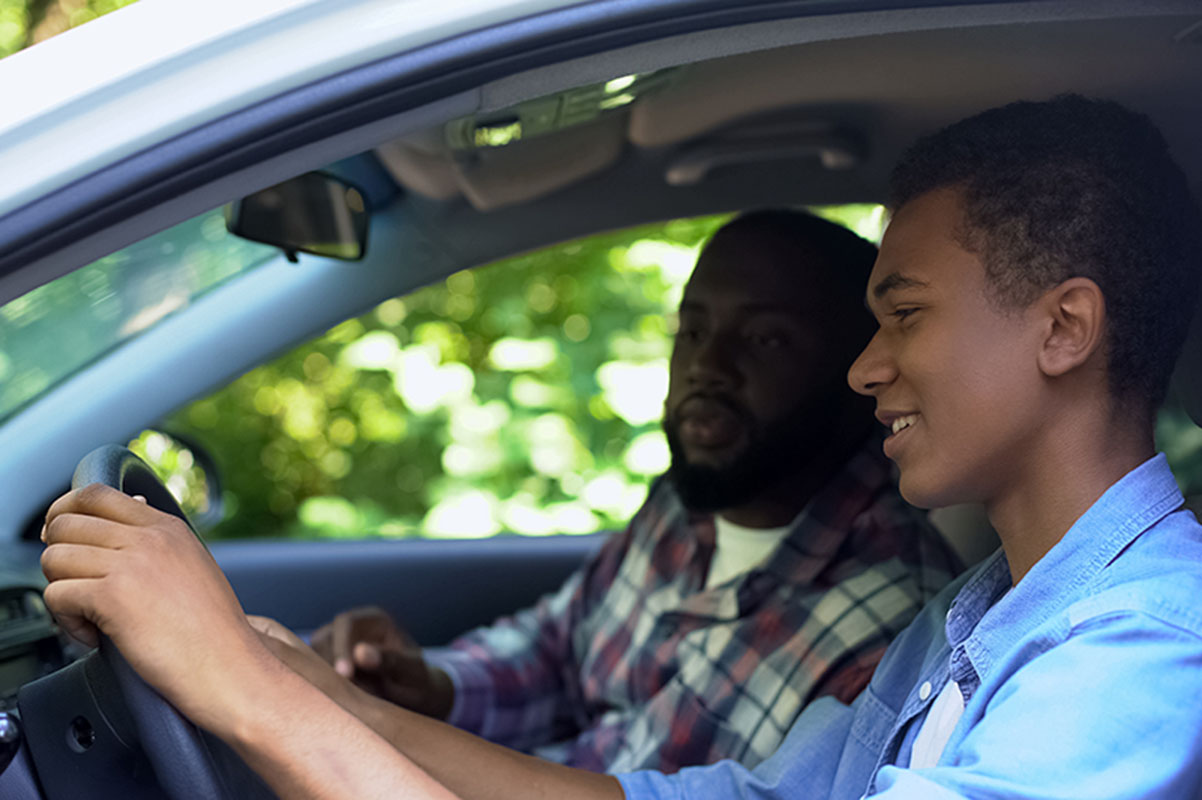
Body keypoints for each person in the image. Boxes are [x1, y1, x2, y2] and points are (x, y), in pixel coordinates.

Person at [39, 92, 1202, 800]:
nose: (864, 365)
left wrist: (245, 695)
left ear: (1063, 327)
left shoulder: (1142, 644)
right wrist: (297, 682)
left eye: (901, 314)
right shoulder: (974, 616)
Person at [306, 209, 960, 776]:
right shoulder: (691, 501)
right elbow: (559, 648)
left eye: (765, 339)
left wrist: (368, 741)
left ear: (863, 375)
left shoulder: (892, 623)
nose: (707, 366)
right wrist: (431, 688)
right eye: (693, 330)